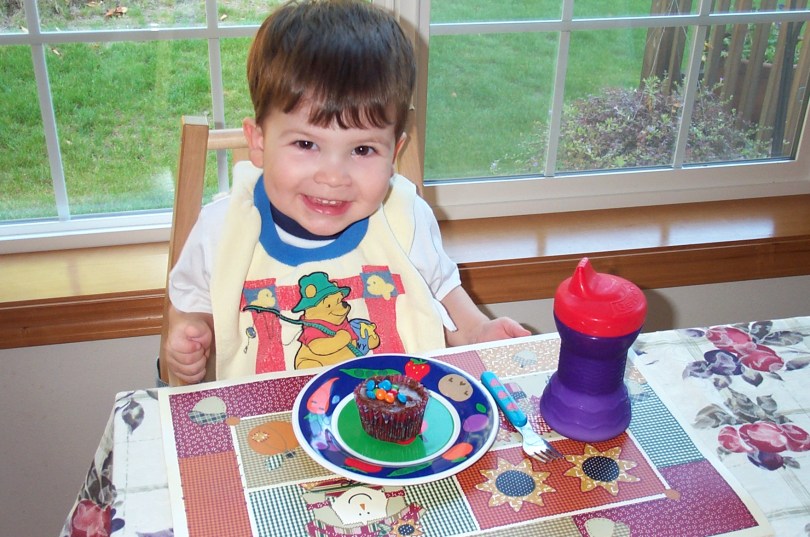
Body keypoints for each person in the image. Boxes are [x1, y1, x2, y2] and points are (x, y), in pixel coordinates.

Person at [164, 0, 530, 384]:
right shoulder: (223, 230)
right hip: (269, 418)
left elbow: (442, 293)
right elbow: (193, 302)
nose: (333, 177)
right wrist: (191, 331)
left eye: (362, 150)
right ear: (258, 142)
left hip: (397, 412)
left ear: (394, 153)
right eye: (306, 144)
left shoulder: (405, 218)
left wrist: (478, 333)